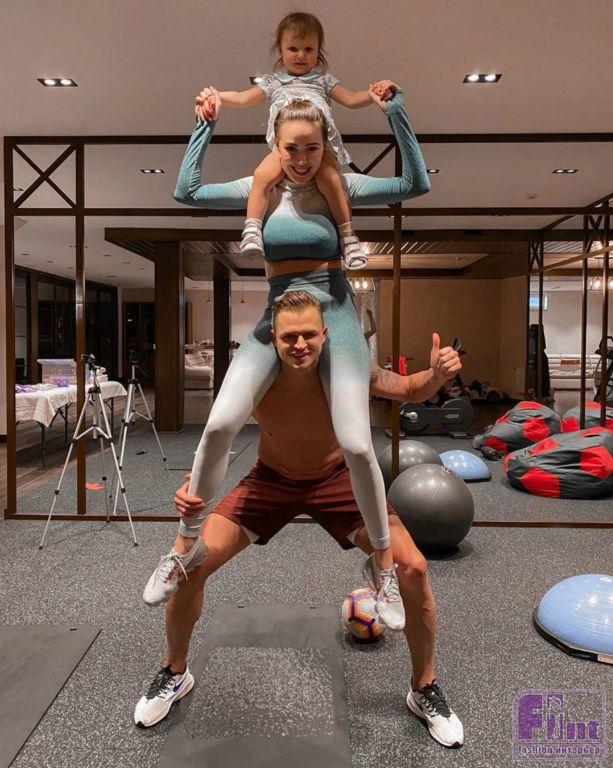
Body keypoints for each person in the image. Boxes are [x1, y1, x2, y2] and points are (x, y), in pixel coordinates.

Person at [143, 73, 431, 630]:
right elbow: (187, 192)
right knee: (220, 422)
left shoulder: (340, 184)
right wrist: (204, 125)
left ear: (326, 145)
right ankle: (182, 549)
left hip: (335, 316)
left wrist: (396, 112)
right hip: (279, 316)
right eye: (291, 148)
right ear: (275, 144)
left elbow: (414, 183)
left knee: (357, 443)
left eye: (312, 148)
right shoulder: (262, 186)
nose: (301, 160)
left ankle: (384, 568)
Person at [134, 291, 464, 749]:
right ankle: (174, 672)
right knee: (192, 564)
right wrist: (193, 487)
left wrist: (438, 375)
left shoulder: (347, 369)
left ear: (325, 334)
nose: (300, 345)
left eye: (309, 334)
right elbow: (218, 435)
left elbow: (409, 389)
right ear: (273, 337)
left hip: (338, 482)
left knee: (413, 568)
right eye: (289, 337)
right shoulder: (257, 377)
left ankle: (424, 687)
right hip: (270, 481)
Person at [204, 11, 392, 269]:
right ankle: (252, 228)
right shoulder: (273, 82)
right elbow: (242, 98)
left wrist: (371, 94)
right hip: (286, 150)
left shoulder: (323, 81)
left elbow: (350, 99)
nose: (301, 55)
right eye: (293, 48)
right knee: (261, 175)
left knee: (331, 180)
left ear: (318, 51)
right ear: (280, 50)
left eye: (308, 49)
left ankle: (348, 236)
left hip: (319, 149)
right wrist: (217, 96)